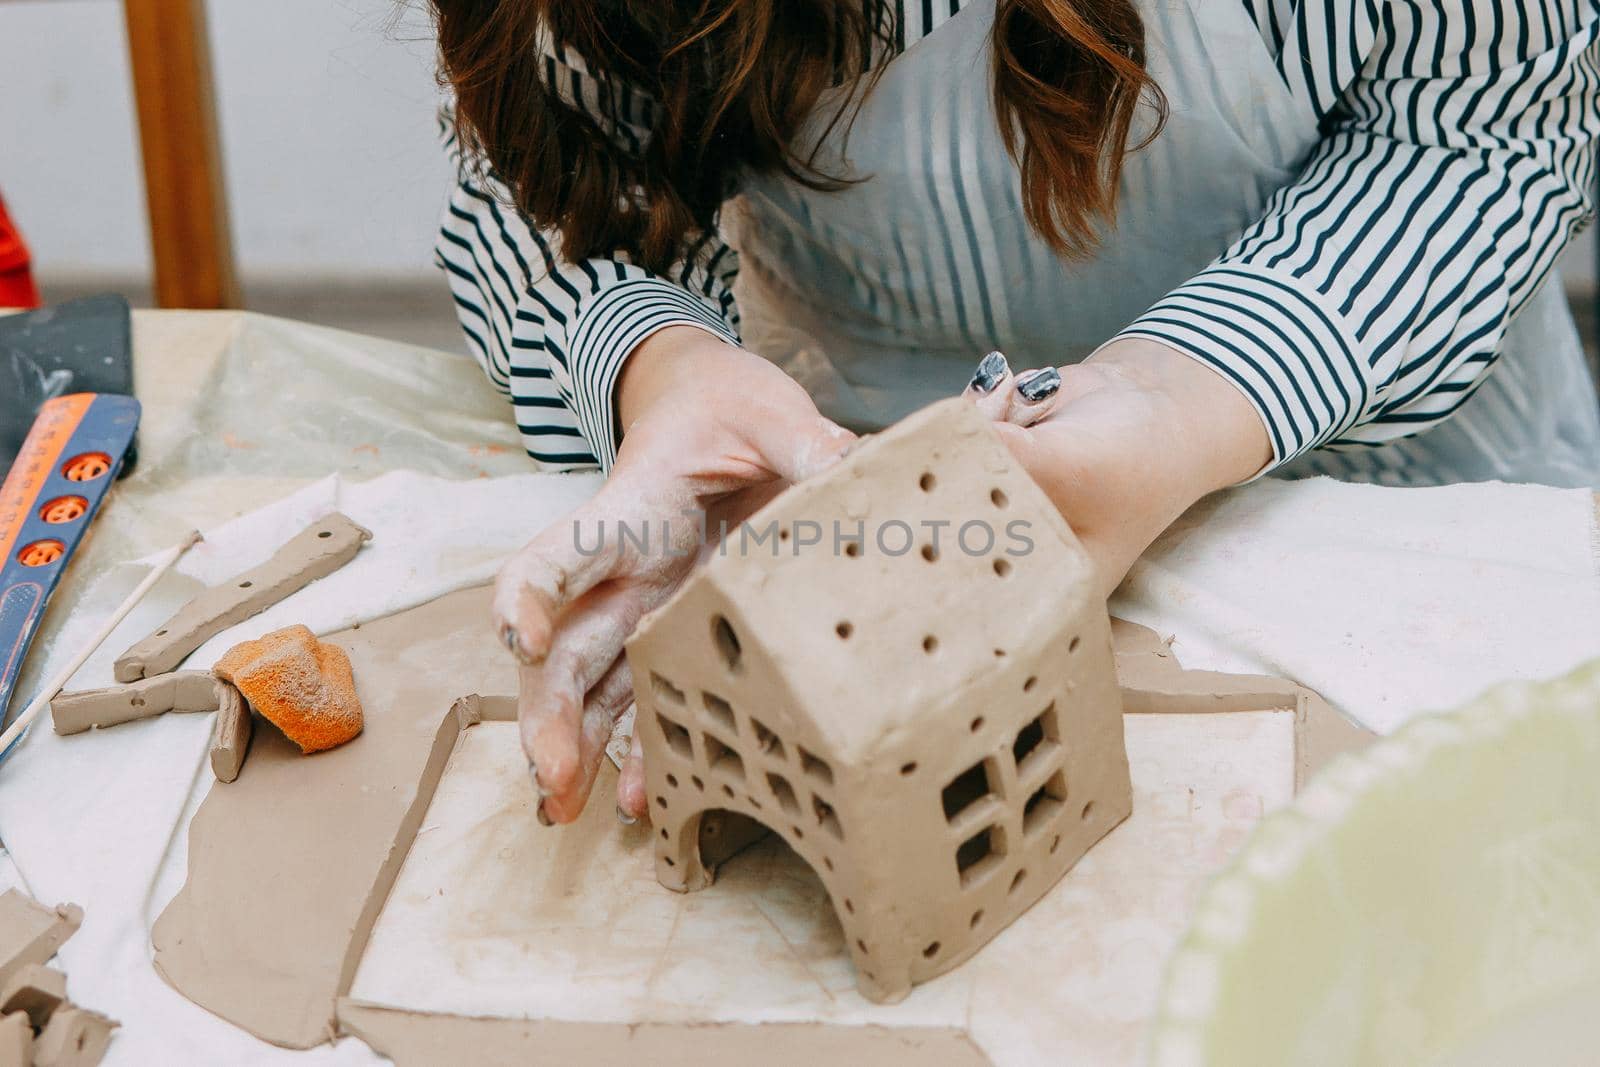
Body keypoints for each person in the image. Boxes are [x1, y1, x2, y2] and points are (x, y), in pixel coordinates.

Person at [429, 0, 1600, 825]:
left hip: (1375, 466)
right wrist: (663, 369)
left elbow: (1481, 125)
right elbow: (538, 172)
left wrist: (1183, 390)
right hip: (846, 471)